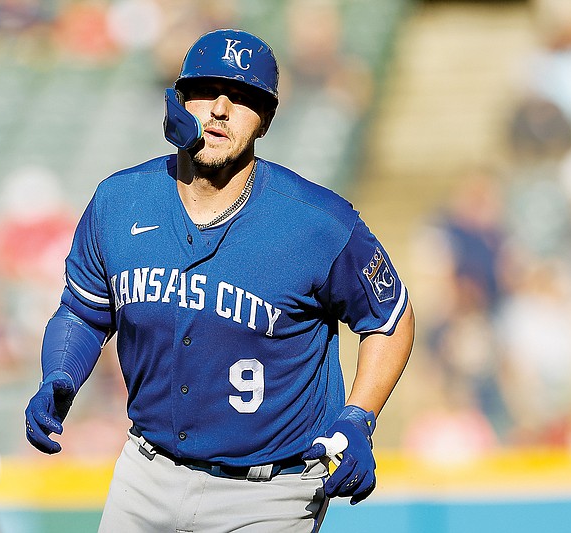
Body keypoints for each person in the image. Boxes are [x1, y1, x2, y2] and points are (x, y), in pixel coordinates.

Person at [25, 28, 415, 532]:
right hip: (145, 473)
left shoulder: (317, 223)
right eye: (208, 91)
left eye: (245, 97)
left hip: (268, 494)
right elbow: (83, 311)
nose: (222, 109)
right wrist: (59, 373)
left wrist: (359, 416)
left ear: (266, 120)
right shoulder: (119, 202)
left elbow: (391, 319)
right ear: (179, 101)